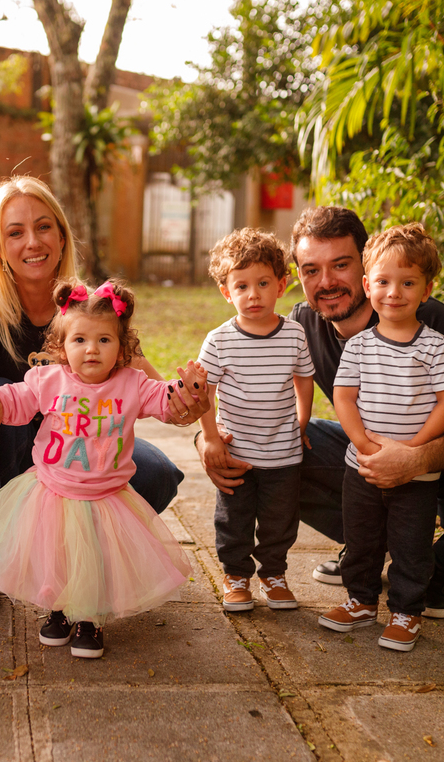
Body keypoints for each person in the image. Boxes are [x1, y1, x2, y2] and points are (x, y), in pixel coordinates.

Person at [198, 206, 444, 619]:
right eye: (311, 270)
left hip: (442, 459)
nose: (325, 282)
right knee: (279, 449)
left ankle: (440, 566)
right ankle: (369, 548)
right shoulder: (301, 326)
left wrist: (416, 458)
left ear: (364, 265)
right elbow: (233, 388)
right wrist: (207, 440)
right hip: (368, 449)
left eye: (340, 265)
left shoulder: (423, 317)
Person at [0, 176, 206, 617]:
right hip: (13, 450)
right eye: (16, 232)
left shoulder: (92, 308)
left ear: (62, 235)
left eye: (44, 226)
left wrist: (186, 405)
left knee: (159, 472)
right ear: (0, 245)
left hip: (82, 448)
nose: (33, 241)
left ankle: (83, 553)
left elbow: (151, 387)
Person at [0, 279, 194, 658]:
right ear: (62, 347)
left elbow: (163, 401)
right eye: (79, 340)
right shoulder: (48, 380)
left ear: (122, 348)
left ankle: (90, 619)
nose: (91, 349)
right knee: (59, 555)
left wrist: (187, 391)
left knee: (96, 556)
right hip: (53, 489)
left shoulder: (131, 383)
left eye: (104, 340)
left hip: (106, 495)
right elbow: (16, 398)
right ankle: (60, 612)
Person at [316, 224, 444, 652]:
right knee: (360, 538)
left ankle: (405, 611)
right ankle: (360, 601)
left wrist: (414, 448)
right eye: (383, 281)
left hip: (415, 474)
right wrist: (361, 443)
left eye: (407, 282)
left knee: (409, 544)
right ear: (367, 285)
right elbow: (344, 396)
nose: (393, 292)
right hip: (360, 466)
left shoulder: (435, 346)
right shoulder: (361, 346)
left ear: (427, 289)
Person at [197, 228, 315, 613]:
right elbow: (204, 393)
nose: (253, 294)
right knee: (234, 519)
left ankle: (274, 575)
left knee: (280, 521)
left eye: (263, 283)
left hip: (283, 452)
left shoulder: (294, 334)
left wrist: (302, 421)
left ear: (281, 285)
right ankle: (236, 577)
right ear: (227, 292)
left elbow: (304, 377)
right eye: (242, 286)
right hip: (238, 452)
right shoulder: (219, 340)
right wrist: (210, 437)